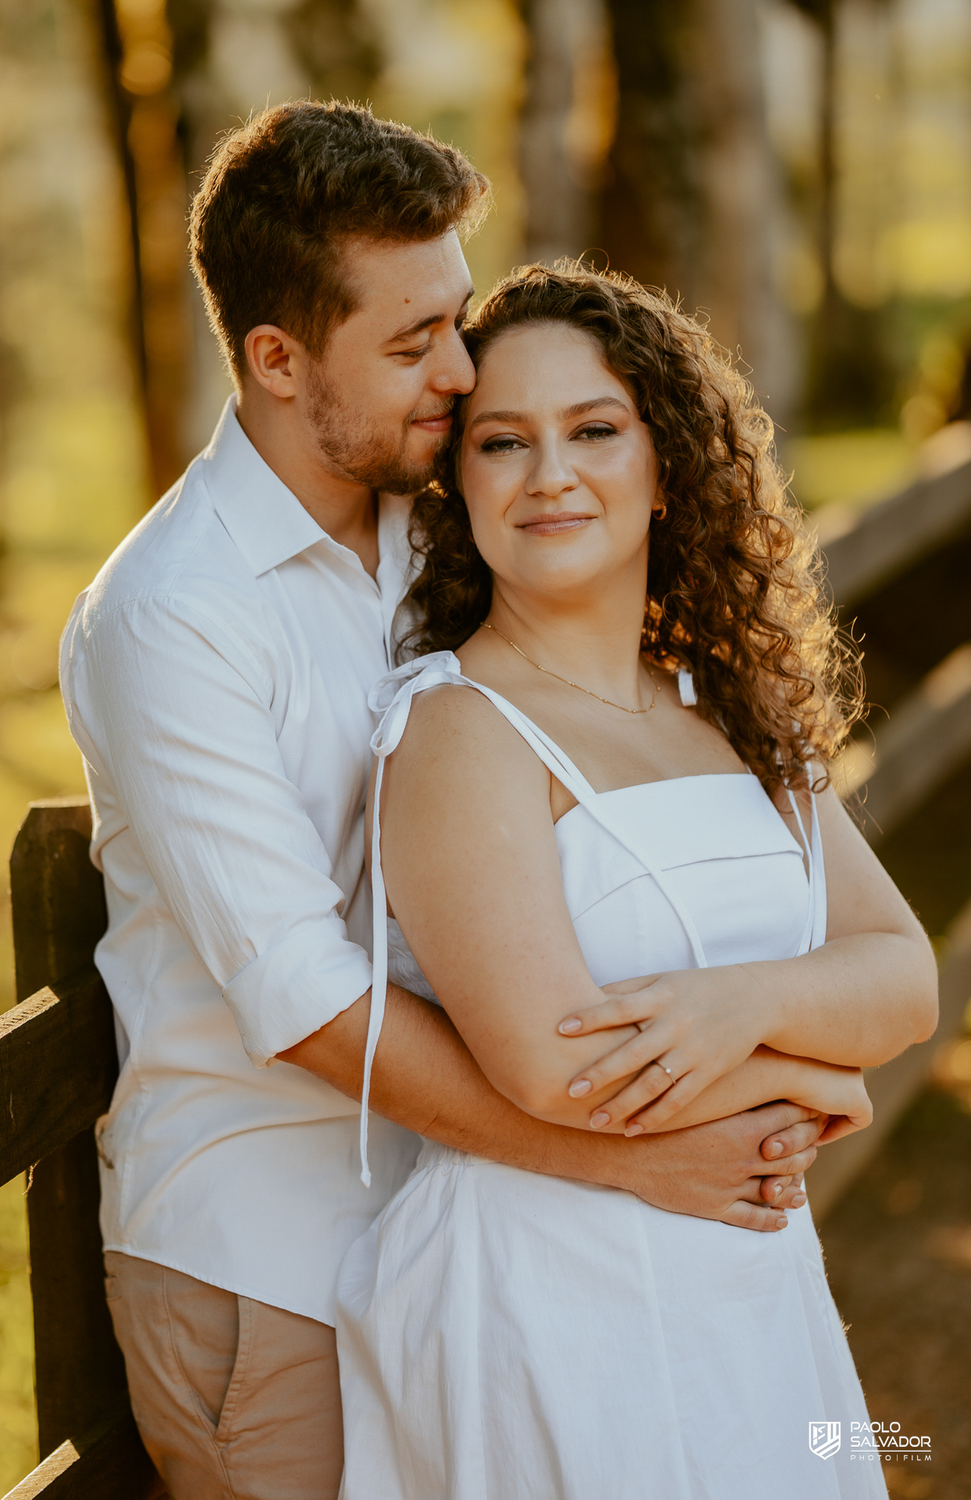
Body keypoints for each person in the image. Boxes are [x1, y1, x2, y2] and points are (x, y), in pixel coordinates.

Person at [60, 104, 830, 1500]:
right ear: (277, 361)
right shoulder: (171, 619)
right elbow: (302, 998)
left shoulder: (439, 524)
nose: (461, 372)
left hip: (474, 1226)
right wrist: (634, 1161)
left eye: (456, 319)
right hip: (269, 1260)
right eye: (413, 345)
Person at [335, 263, 939, 1499]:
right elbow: (556, 1066)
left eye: (595, 430)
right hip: (556, 1301)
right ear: (461, 483)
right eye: (504, 442)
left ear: (666, 465)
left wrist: (741, 1008)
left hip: (747, 1281)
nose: (551, 473)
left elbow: (905, 975)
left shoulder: (724, 711)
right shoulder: (459, 729)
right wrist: (818, 1072)